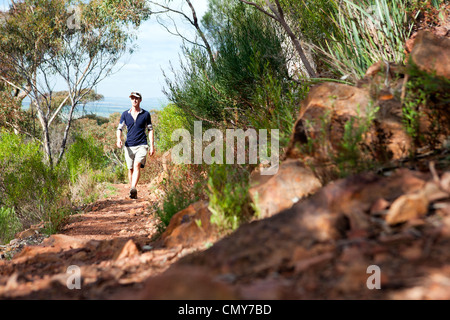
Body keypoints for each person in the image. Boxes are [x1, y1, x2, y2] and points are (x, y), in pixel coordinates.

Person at [116, 91, 154, 199]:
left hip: (142, 144)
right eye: (132, 98)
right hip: (129, 145)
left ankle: (133, 187)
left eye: (136, 98)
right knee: (130, 168)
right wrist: (119, 139)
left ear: (140, 100)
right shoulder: (125, 114)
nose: (134, 100)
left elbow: (150, 130)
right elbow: (119, 128)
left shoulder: (145, 114)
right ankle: (132, 190)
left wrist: (152, 146)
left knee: (137, 165)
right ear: (130, 100)